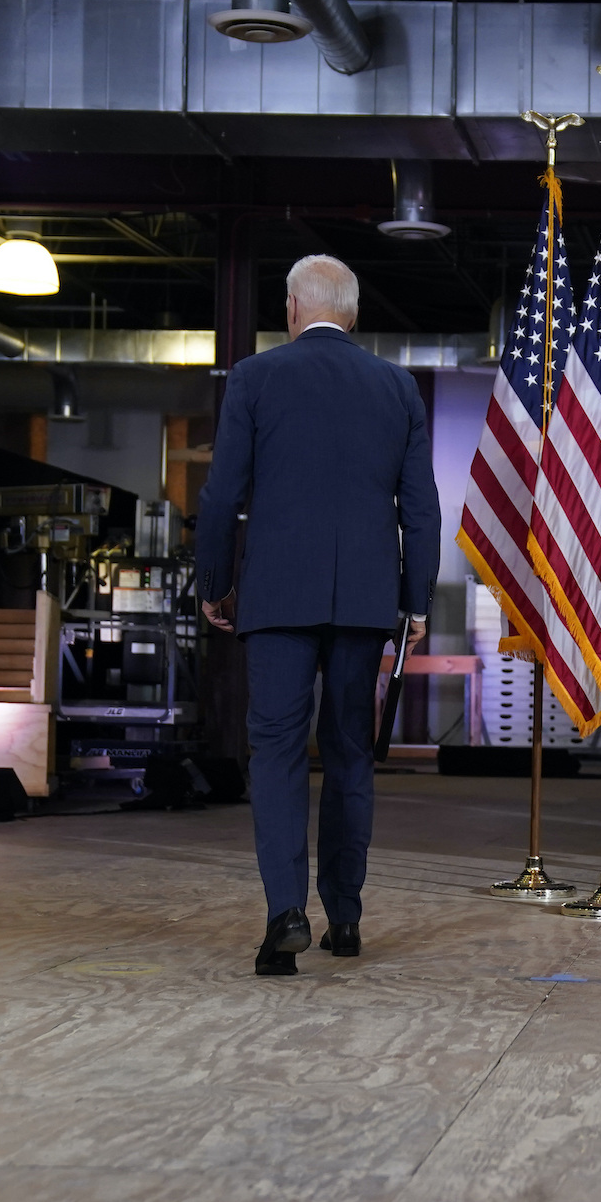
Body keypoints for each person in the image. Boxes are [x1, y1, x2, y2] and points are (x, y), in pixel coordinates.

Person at [195, 255, 438, 976]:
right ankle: (347, 916)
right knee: (350, 751)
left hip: (276, 596)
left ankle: (286, 915)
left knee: (275, 750)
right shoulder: (397, 387)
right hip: (365, 600)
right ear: (353, 314)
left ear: (293, 310)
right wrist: (415, 601)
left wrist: (215, 582)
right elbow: (420, 507)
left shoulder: (254, 377)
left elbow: (221, 495)